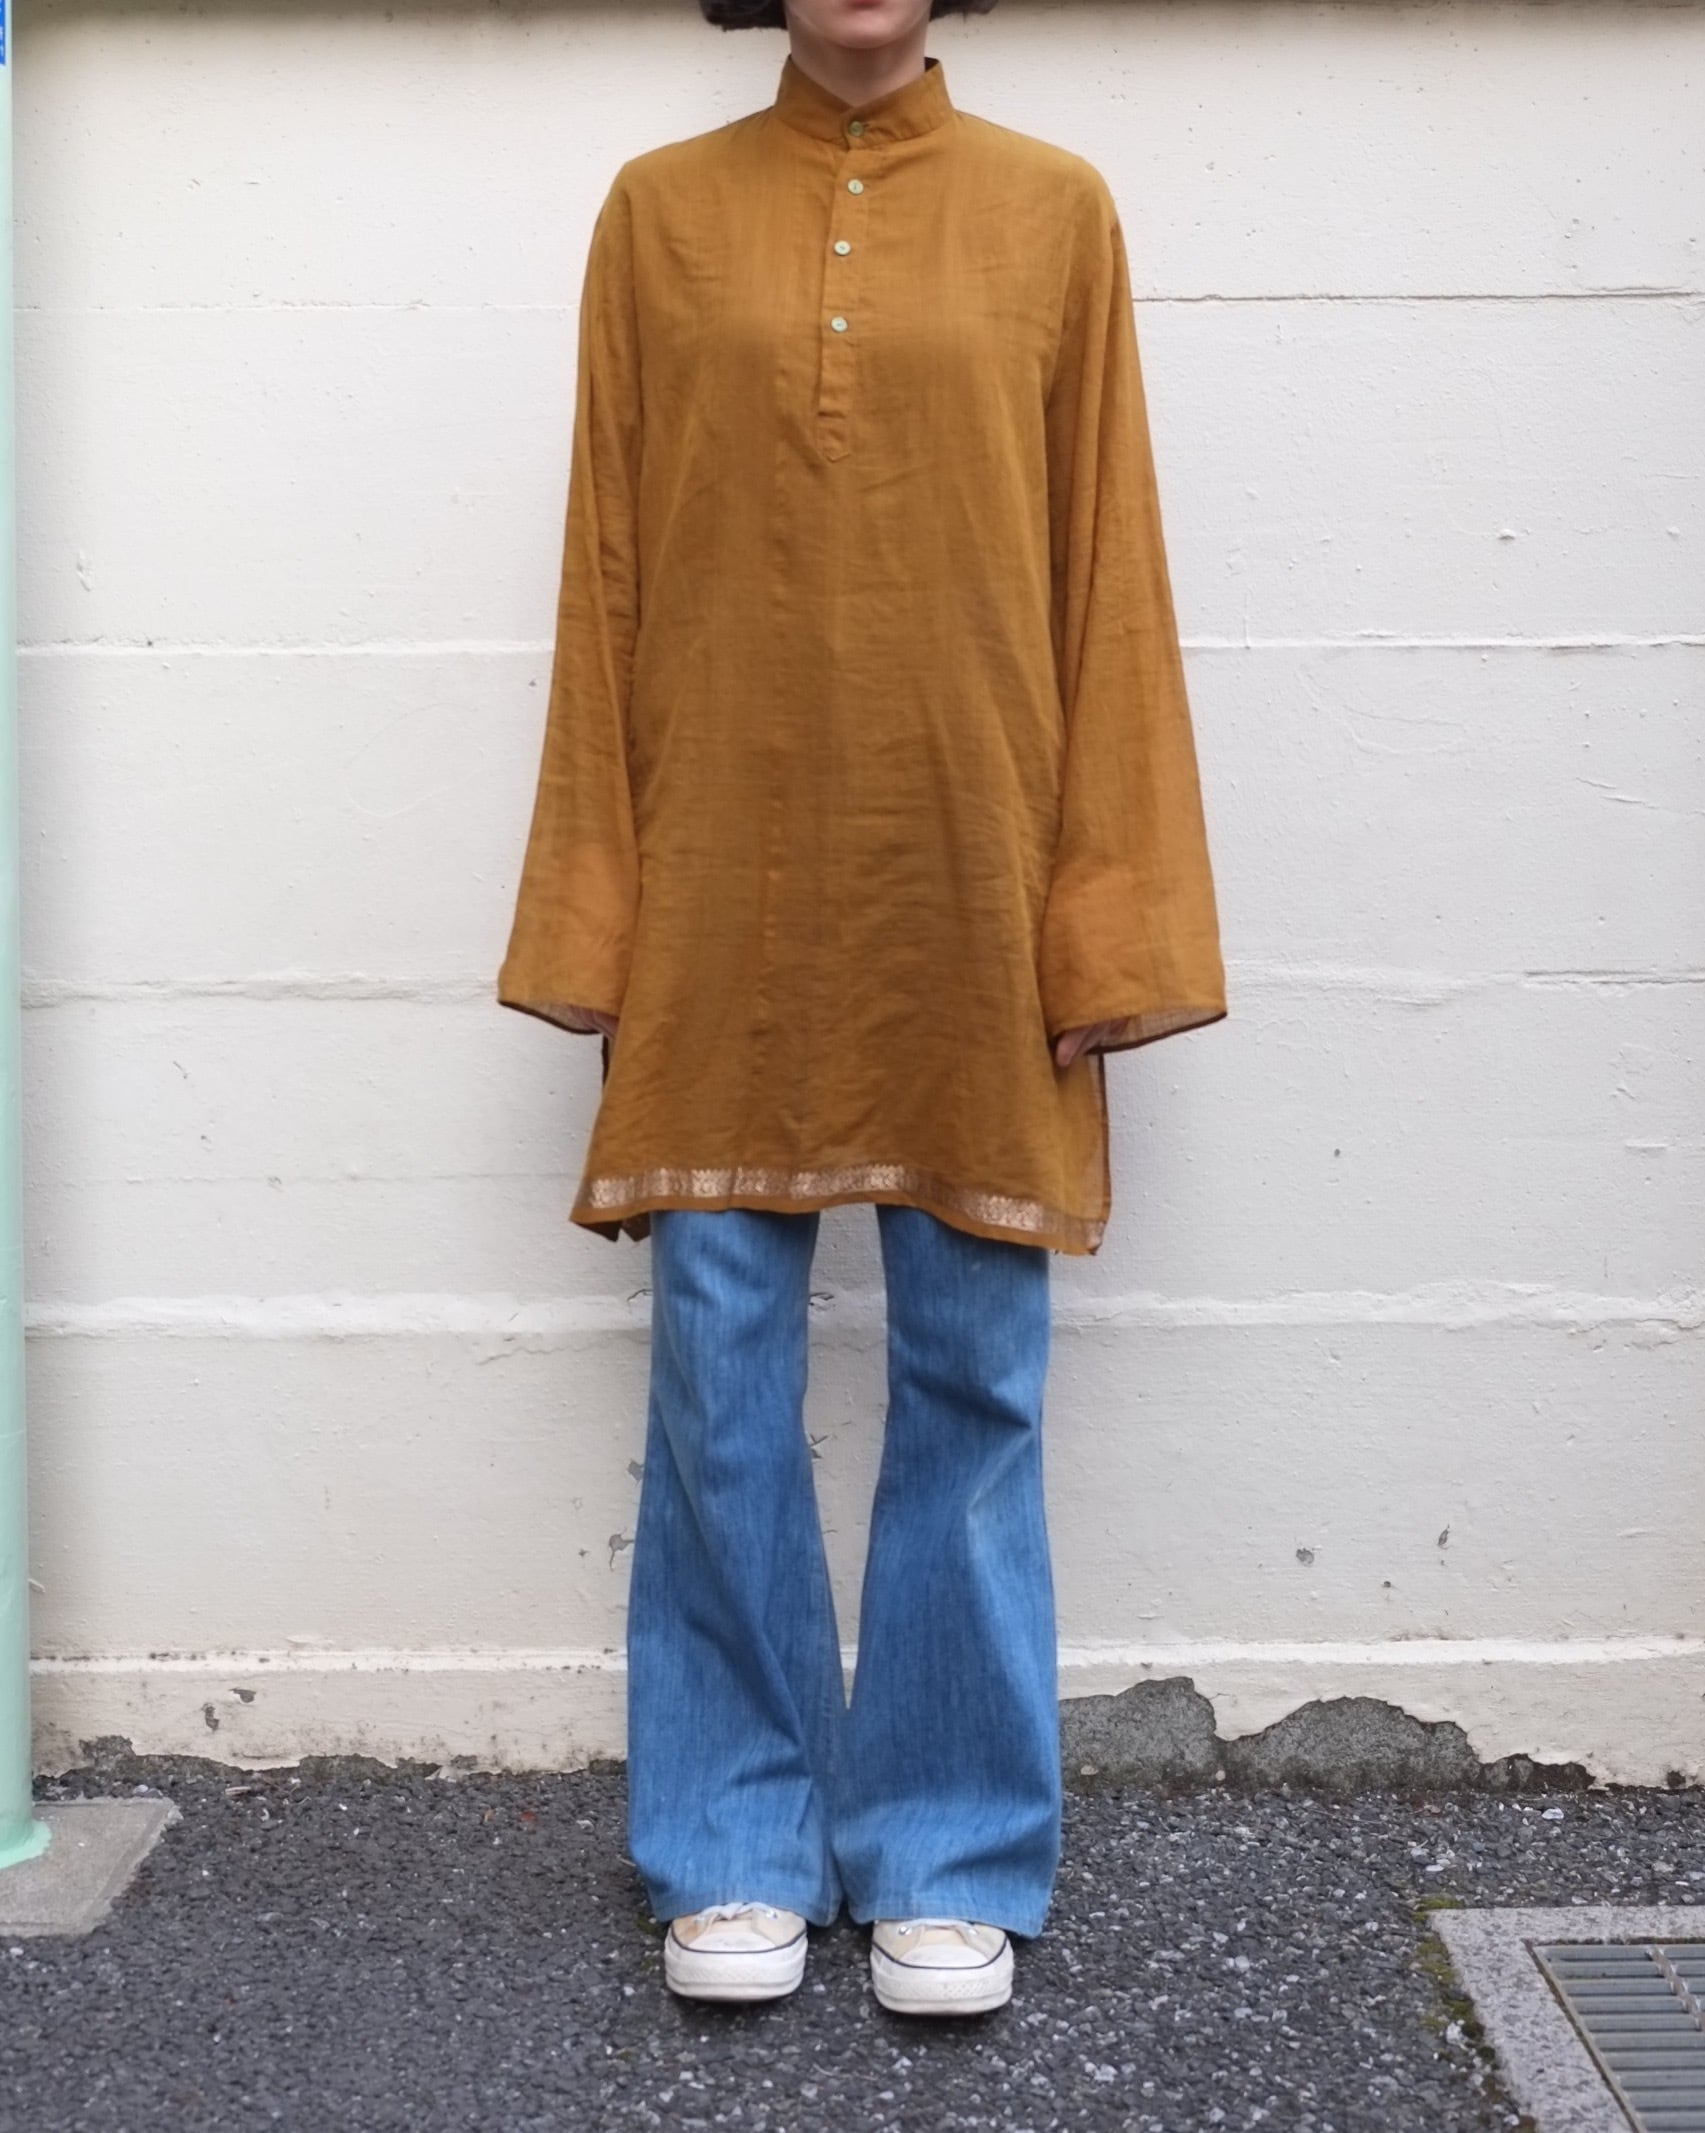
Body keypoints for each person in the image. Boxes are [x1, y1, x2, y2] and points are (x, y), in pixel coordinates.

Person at [497, 0, 1225, 2017]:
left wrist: (1105, 913)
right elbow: (604, 575)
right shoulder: (658, 215)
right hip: (720, 871)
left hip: (969, 868)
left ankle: (947, 1847)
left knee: (974, 1370)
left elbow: (1108, 574)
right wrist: (597, 901)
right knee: (717, 1363)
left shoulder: (1055, 211)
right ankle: (731, 1838)